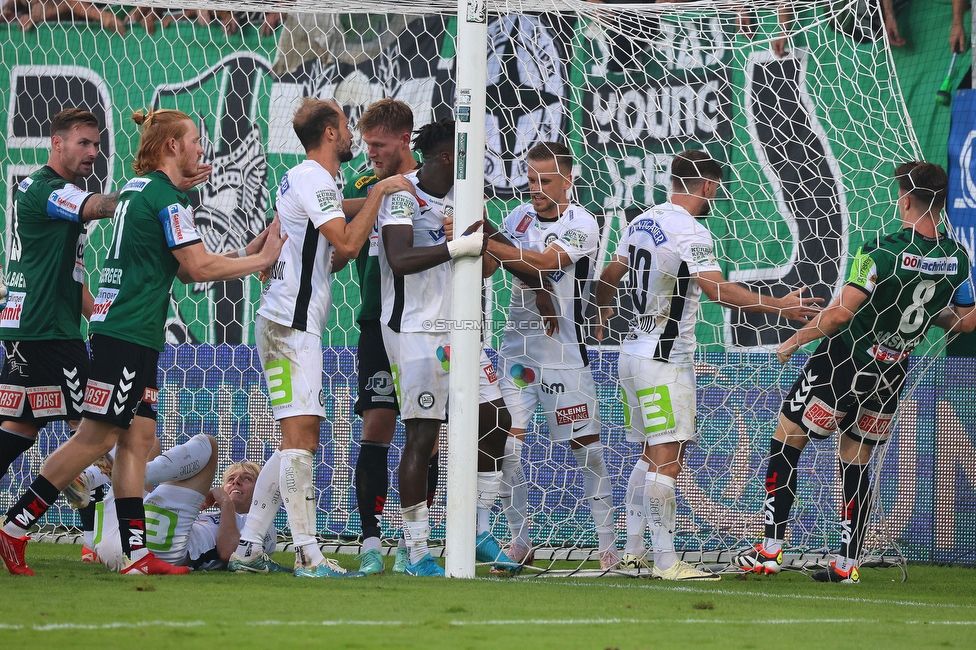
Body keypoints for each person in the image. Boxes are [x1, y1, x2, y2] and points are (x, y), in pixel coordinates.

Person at [0, 107, 285, 577]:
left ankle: (135, 557)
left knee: (138, 440)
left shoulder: (143, 192)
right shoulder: (163, 198)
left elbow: (177, 264)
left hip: (131, 334)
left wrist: (244, 252)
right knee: (94, 439)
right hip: (123, 335)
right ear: (173, 146)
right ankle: (14, 528)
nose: (200, 147)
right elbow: (197, 269)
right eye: (194, 139)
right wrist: (263, 260)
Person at [734, 161, 975, 583]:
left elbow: (839, 316)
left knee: (787, 438)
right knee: (856, 458)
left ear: (904, 199)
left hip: (841, 363)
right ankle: (847, 563)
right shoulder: (957, 258)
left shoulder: (879, 250)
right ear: (940, 203)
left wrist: (791, 342)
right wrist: (927, 313)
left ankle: (768, 550)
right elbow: (967, 320)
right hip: (891, 371)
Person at [594, 150, 821, 580]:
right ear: (709, 187)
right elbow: (716, 291)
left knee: (648, 456)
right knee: (668, 459)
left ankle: (633, 552)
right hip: (665, 361)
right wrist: (780, 306)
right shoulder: (690, 231)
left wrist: (601, 311)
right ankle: (665, 562)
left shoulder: (641, 220)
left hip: (630, 355)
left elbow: (611, 273)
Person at [228, 98, 410, 579]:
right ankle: (308, 554)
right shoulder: (313, 178)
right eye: (347, 127)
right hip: (289, 326)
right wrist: (380, 193)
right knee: (302, 439)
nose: (352, 136)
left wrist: (385, 194)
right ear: (330, 132)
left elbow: (296, 231)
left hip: (291, 323)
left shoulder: (308, 180)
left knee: (295, 438)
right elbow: (348, 244)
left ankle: (248, 548)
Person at [376, 117, 504, 577]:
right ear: (450, 156)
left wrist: (479, 244)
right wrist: (456, 245)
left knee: (496, 417)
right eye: (470, 152)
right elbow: (399, 259)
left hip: (460, 328)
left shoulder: (465, 196)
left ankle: (477, 530)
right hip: (415, 330)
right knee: (423, 435)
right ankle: (416, 551)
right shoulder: (401, 194)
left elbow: (485, 266)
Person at [485, 141, 619, 570]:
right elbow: (496, 263)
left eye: (545, 180)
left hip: (563, 352)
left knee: (587, 451)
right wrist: (494, 241)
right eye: (530, 180)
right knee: (507, 445)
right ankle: (519, 541)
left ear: (567, 179)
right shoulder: (516, 217)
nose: (536, 188)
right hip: (517, 352)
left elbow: (545, 262)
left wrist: (492, 239)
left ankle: (607, 547)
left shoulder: (583, 222)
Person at [0, 108, 118, 481]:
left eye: (96, 144)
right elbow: (95, 207)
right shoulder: (47, 190)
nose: (93, 152)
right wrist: (144, 196)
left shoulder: (51, 190)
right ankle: (91, 532)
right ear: (57, 143)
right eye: (83, 143)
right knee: (91, 430)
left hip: (29, 327)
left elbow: (73, 278)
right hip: (46, 329)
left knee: (22, 426)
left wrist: (97, 318)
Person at [340, 99, 427, 575]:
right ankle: (371, 541)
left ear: (404, 140)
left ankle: (417, 542)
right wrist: (377, 195)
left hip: (424, 322)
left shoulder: (431, 184)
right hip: (376, 320)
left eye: (378, 145)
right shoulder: (363, 183)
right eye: (366, 142)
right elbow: (335, 215)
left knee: (426, 432)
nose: (369, 152)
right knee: (377, 423)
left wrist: (400, 190)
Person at [93, 434, 280, 572]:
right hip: (123, 540)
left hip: (147, 549)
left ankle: (110, 475)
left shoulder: (262, 526)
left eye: (247, 479)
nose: (236, 482)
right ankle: (95, 477)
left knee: (209, 445)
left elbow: (230, 554)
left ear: (260, 491)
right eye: (230, 479)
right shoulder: (208, 514)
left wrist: (225, 503)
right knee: (148, 441)